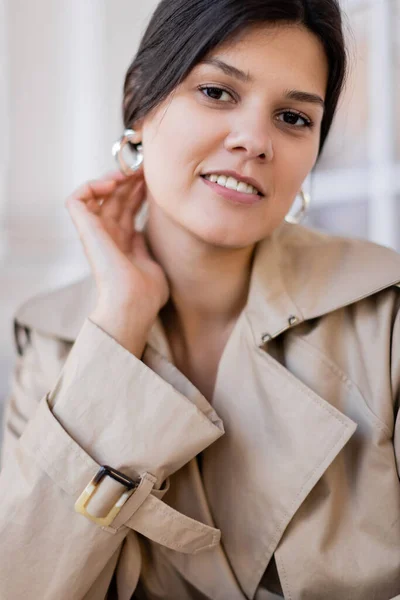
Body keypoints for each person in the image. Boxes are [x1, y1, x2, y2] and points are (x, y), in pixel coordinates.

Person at [1, 0, 399, 598]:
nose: (254, 141)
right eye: (217, 92)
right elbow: (25, 584)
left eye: (293, 117)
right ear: (139, 100)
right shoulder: (53, 339)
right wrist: (120, 319)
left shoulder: (384, 313)